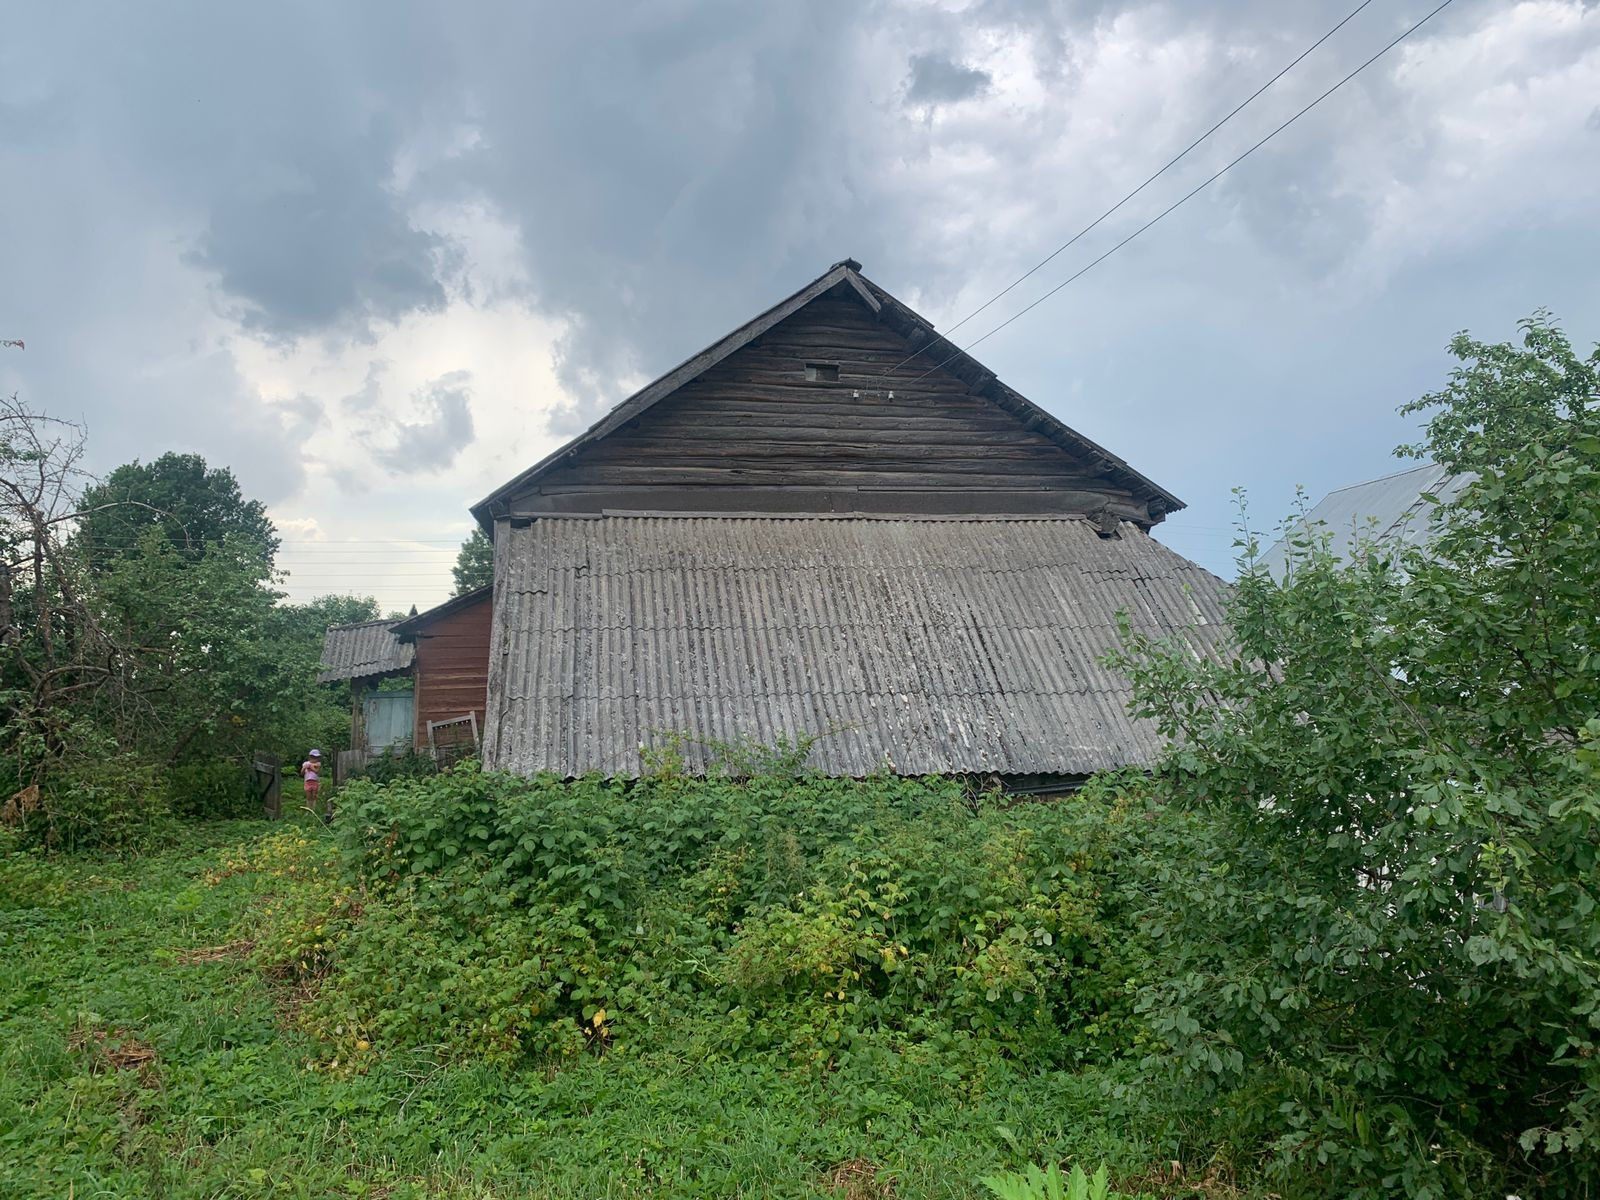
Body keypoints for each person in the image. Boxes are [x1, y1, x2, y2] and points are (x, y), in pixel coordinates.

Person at [300, 749, 323, 818]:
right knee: (308, 796)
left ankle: (313, 810)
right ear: (310, 757)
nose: (315, 759)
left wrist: (311, 767)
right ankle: (308, 809)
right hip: (307, 782)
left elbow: (317, 771)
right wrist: (304, 768)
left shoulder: (318, 764)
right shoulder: (305, 763)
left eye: (316, 758)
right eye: (313, 757)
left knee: (314, 795)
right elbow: (301, 773)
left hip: (315, 782)